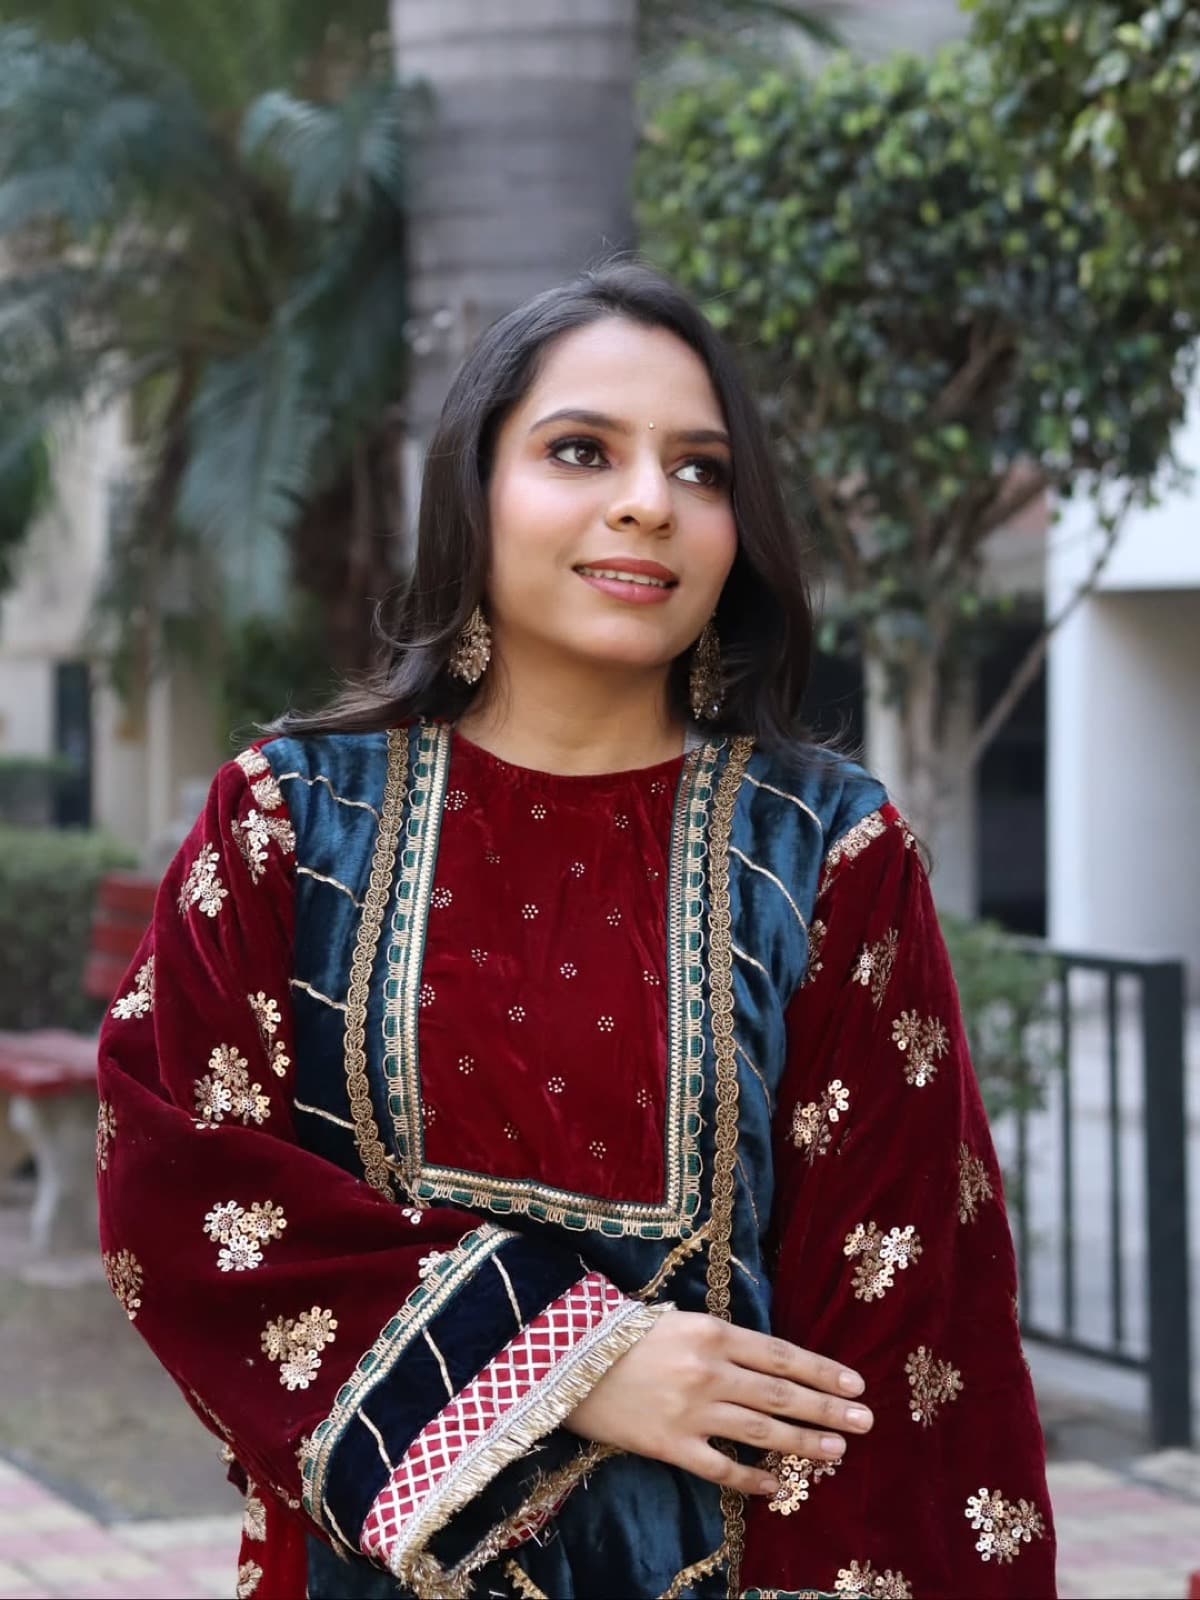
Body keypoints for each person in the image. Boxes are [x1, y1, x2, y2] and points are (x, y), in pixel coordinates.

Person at [96, 262, 1055, 1600]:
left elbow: (905, 1333)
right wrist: (573, 1359)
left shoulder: (825, 855)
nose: (649, 502)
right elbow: (179, 1189)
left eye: (704, 469)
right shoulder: (291, 823)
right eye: (582, 450)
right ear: (476, 487)